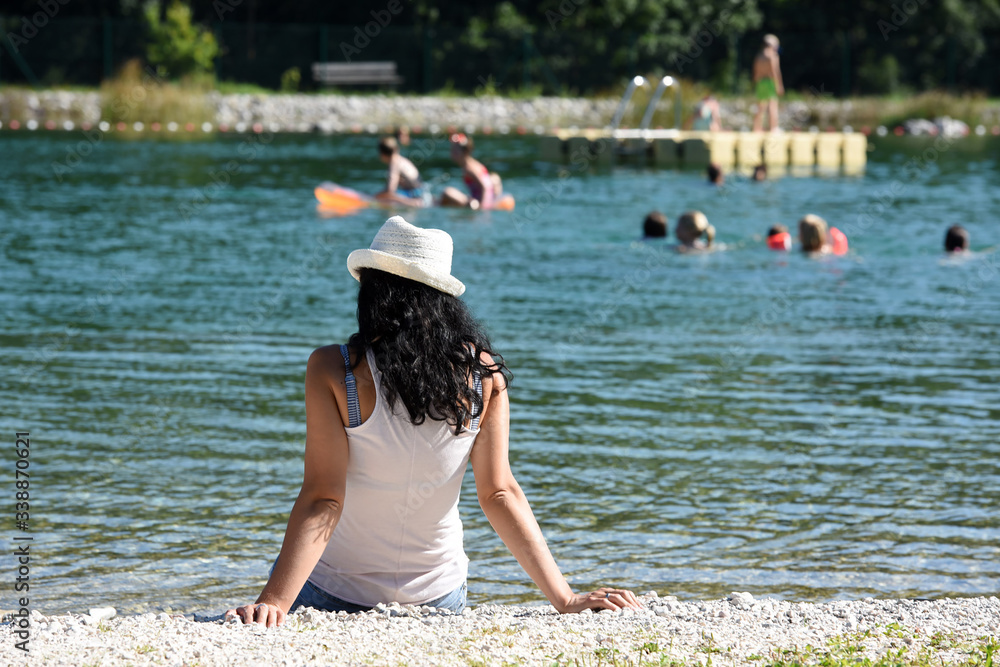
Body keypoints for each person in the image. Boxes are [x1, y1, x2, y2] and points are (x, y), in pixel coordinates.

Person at [226, 216, 641, 627]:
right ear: (444, 300)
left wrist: (275, 602)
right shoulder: (483, 377)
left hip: (334, 593)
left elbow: (324, 497)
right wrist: (564, 598)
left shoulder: (336, 369)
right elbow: (499, 492)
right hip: (439, 598)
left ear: (374, 292)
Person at [440, 133, 496, 209]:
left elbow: (485, 187)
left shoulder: (469, 168)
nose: (452, 153)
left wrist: (483, 207)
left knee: (447, 192)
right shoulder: (471, 164)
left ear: (465, 152)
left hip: (478, 203)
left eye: (455, 150)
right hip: (478, 199)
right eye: (452, 149)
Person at [375, 136, 428, 207]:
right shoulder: (402, 160)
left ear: (382, 154)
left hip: (415, 196)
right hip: (422, 193)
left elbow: (390, 189)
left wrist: (375, 197)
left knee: (387, 196)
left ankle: (413, 203)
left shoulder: (394, 163)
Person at [752, 34, 784, 132]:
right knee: (772, 105)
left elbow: (755, 72)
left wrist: (755, 84)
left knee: (760, 107)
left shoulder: (759, 56)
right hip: (770, 81)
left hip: (760, 82)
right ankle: (773, 128)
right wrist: (779, 85)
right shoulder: (773, 56)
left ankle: (756, 128)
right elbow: (775, 72)